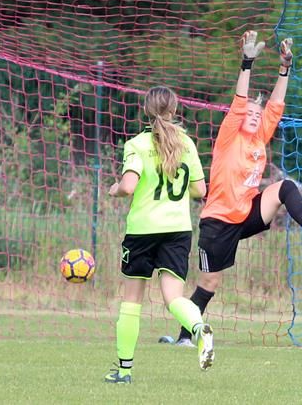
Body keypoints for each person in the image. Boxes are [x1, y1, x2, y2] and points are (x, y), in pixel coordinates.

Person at [173, 30, 302, 347]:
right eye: (250, 113)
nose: (254, 116)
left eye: (258, 113)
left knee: (285, 187)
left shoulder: (259, 137)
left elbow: (276, 104)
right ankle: (184, 336)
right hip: (219, 221)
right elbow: (240, 101)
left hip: (247, 214)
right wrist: (247, 63)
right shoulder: (230, 137)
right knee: (209, 283)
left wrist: (285, 67)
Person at [104, 85, 215, 384]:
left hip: (143, 230)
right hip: (178, 230)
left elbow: (128, 186)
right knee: (173, 298)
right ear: (174, 110)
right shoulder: (186, 143)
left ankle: (124, 372)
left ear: (146, 110)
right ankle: (198, 329)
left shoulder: (137, 144)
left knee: (132, 301)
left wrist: (115, 189)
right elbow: (200, 190)